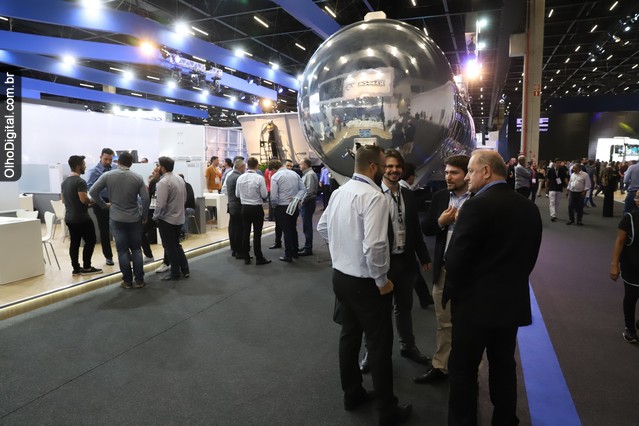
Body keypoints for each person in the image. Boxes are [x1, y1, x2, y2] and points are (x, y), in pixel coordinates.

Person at [444, 150, 542, 425]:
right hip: (510, 305)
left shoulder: (475, 206)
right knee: (503, 366)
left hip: (473, 308)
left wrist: (454, 291)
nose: (469, 177)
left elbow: (455, 260)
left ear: (486, 171)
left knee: (463, 370)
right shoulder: (529, 207)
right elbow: (530, 259)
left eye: (471, 171)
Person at [317, 144, 412, 426]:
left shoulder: (340, 191)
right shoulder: (374, 197)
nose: (386, 170)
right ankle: (387, 410)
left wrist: (343, 250)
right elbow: (375, 246)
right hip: (367, 283)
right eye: (383, 166)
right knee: (379, 345)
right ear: (373, 167)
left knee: (349, 337)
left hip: (340, 277)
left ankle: (353, 394)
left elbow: (323, 227)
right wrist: (382, 280)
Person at [359, 149, 432, 374]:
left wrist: (424, 256)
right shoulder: (373, 195)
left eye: (397, 166)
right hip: (383, 262)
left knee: (404, 308)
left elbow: (415, 229)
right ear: (382, 168)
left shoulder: (408, 194)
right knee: (377, 312)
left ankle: (407, 346)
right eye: (389, 166)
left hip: (405, 262)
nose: (393, 170)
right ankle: (371, 352)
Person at [415, 154, 470, 385]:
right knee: (443, 322)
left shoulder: (478, 198)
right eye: (446, 172)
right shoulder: (440, 197)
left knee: (469, 324)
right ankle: (441, 365)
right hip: (444, 271)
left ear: (467, 174)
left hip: (470, 274)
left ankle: (468, 370)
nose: (448, 177)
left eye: (454, 173)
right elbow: (426, 228)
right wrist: (441, 222)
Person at [89, 151, 149, 289]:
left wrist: (104, 205)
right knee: (136, 249)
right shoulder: (137, 177)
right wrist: (144, 215)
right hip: (134, 218)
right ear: (131, 163)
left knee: (122, 251)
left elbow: (92, 191)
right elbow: (145, 198)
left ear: (118, 162)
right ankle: (139, 280)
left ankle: (127, 281)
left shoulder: (108, 175)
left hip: (116, 218)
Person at [61, 155, 102, 276]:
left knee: (74, 243)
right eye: (84, 164)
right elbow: (84, 199)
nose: (85, 166)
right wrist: (93, 201)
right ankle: (87, 267)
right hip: (82, 219)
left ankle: (76, 269)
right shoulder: (80, 181)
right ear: (79, 166)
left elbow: (63, 200)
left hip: (69, 218)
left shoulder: (64, 182)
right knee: (91, 241)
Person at [153, 157, 190, 281]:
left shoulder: (163, 182)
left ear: (163, 168)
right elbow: (184, 198)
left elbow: (161, 204)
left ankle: (175, 273)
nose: (157, 168)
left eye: (158, 165)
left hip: (167, 219)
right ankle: (185, 269)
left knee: (170, 247)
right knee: (176, 245)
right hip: (179, 218)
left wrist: (155, 217)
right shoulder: (179, 179)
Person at [610, 191, 639, 343]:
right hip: (632, 268)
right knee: (631, 298)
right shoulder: (629, 219)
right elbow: (619, 241)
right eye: (637, 197)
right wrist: (614, 265)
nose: (637, 199)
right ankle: (630, 329)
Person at [235, 157, 271, 265]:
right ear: (257, 165)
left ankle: (246, 257)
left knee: (245, 232)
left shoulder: (240, 178)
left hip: (244, 208)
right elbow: (264, 194)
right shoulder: (259, 178)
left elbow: (237, 194)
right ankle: (258, 257)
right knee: (257, 234)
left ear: (247, 165)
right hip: (256, 208)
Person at [270, 159, 306, 262]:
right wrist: (297, 198)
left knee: (286, 231)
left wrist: (274, 206)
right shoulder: (295, 174)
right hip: (293, 204)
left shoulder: (275, 176)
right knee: (293, 228)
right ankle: (295, 252)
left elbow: (273, 196)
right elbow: (303, 189)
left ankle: (288, 255)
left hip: (282, 206)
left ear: (274, 169)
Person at [86, 148, 115, 266]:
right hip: (100, 202)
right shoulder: (94, 171)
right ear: (100, 157)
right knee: (104, 230)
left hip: (114, 202)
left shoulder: (114, 168)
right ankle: (108, 256)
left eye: (110, 159)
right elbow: (90, 187)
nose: (108, 162)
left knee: (118, 228)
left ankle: (126, 254)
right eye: (105, 159)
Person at [224, 158, 245, 259]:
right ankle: (239, 250)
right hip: (237, 206)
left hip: (231, 205)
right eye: (244, 167)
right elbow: (239, 194)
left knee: (233, 228)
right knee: (238, 229)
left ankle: (234, 249)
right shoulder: (238, 177)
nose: (245, 169)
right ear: (241, 167)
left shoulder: (230, 176)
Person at [299, 158, 319, 256]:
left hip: (308, 203)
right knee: (306, 225)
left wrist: (302, 201)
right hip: (308, 202)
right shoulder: (308, 174)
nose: (299, 166)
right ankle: (307, 245)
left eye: (301, 164)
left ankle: (308, 248)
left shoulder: (309, 175)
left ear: (306, 165)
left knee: (307, 226)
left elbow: (309, 191)